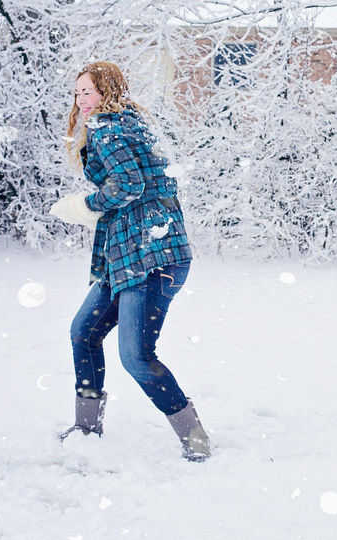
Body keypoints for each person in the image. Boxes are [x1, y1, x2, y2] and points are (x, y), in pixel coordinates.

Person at [49, 61, 210, 462]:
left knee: (136, 355)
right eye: (77, 93)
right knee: (83, 332)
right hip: (134, 255)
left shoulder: (109, 126)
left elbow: (130, 185)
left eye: (88, 91)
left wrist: (86, 205)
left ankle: (194, 437)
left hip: (150, 256)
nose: (81, 100)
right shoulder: (130, 123)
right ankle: (86, 428)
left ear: (107, 91)